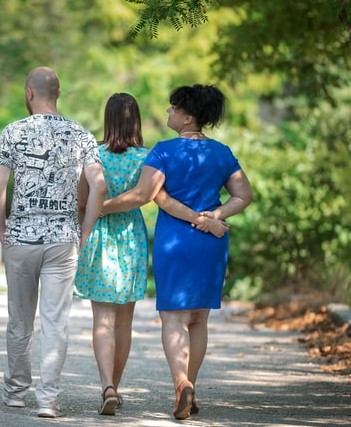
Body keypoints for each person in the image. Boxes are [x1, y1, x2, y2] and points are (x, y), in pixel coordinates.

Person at [101, 84, 253, 420]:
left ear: (187, 116)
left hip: (175, 240)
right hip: (211, 241)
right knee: (199, 319)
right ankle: (190, 386)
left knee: (173, 318)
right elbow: (243, 195)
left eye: (172, 108)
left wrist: (99, 207)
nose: (168, 112)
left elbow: (148, 194)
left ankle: (181, 383)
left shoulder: (164, 151)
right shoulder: (222, 152)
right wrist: (214, 216)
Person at [75, 93, 223, 416]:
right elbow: (152, 196)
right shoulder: (147, 156)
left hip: (100, 236)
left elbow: (83, 202)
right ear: (136, 121)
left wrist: (92, 214)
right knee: (124, 321)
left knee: (102, 318)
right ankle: (120, 383)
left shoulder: (94, 155)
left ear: (107, 119)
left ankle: (107, 387)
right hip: (131, 238)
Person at [0, 66, 107, 418]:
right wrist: (83, 230)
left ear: (29, 92)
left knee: (19, 320)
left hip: (21, 236)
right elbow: (98, 186)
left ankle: (14, 393)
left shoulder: (13, 131)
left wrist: (1, 229)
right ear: (58, 93)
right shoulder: (81, 134)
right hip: (62, 239)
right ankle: (48, 400)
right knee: (56, 321)